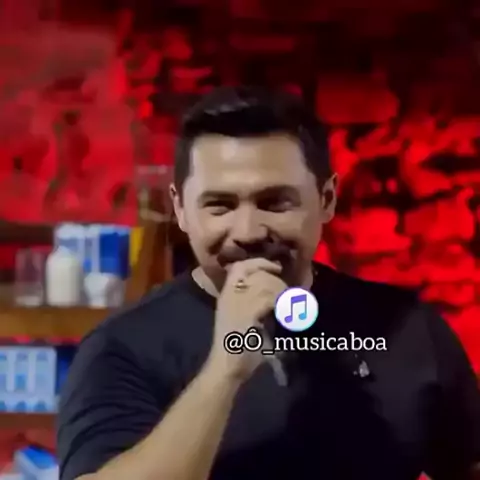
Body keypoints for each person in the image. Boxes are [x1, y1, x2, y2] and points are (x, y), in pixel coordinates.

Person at [57, 86, 480, 480]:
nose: (248, 231)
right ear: (181, 209)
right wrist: (224, 371)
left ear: (326, 200)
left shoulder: (406, 327)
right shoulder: (123, 348)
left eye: (275, 203)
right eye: (219, 205)